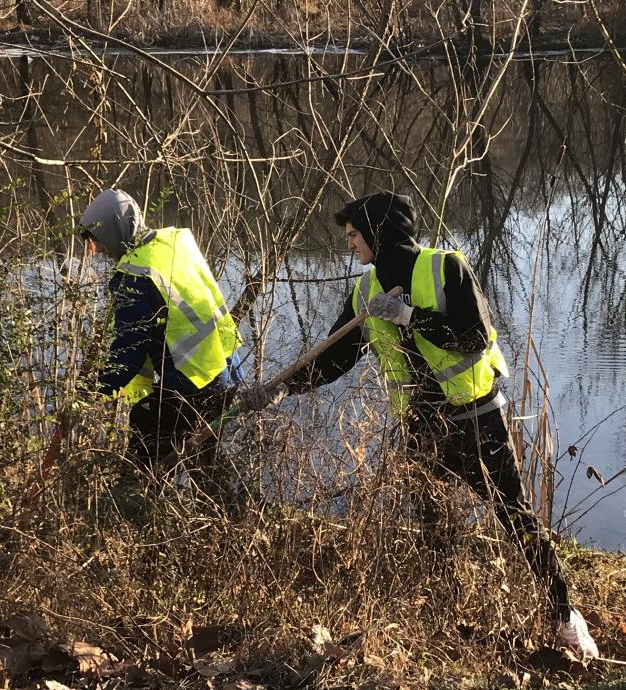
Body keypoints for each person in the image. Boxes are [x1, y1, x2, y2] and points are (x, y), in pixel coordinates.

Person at [236, 192, 600, 662]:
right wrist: (284, 389)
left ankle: (564, 616)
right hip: (421, 430)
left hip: (477, 419)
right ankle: (446, 619)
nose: (349, 244)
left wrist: (410, 316)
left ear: (379, 233)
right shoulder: (366, 292)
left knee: (517, 518)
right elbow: (334, 358)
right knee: (431, 527)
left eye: (354, 234)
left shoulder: (446, 267)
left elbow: (473, 336)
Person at [77, 188, 241, 475]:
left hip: (190, 383)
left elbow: (129, 349)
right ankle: (234, 512)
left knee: (144, 454)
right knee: (204, 462)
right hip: (226, 370)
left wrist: (92, 391)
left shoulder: (134, 275)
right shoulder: (174, 243)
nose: (99, 250)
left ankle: (134, 510)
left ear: (116, 230)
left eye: (99, 241)